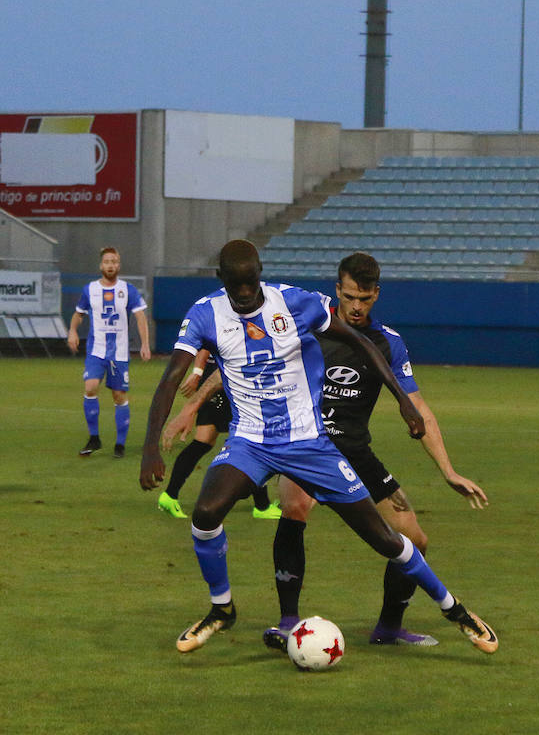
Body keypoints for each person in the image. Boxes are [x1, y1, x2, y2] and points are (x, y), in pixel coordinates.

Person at [139, 239, 498, 658]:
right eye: (235, 286)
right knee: (208, 512)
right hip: (251, 441)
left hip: (315, 445)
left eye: (250, 284)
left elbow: (365, 344)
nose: (244, 294)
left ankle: (454, 610)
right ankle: (225, 609)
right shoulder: (205, 314)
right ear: (222, 281)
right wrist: (157, 440)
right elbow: (183, 377)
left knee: (389, 538)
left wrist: (403, 403)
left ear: (260, 275)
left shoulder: (297, 305)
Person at [158, 347, 281, 520]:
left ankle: (170, 495)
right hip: (227, 382)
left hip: (217, 378)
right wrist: (197, 372)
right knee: (252, 440)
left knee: (203, 442)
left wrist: (198, 374)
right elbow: (205, 348)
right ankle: (262, 506)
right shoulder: (229, 323)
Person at [67, 246, 151, 457]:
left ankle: (120, 444)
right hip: (97, 350)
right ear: (101, 265)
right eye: (107, 262)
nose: (110, 265)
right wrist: (72, 331)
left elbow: (140, 317)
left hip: (119, 352)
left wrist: (145, 344)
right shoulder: (90, 289)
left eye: (114, 262)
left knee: (118, 395)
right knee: (91, 386)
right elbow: (79, 314)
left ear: (118, 265)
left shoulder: (128, 290)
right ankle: (94, 438)